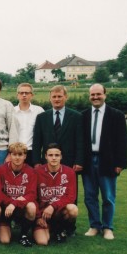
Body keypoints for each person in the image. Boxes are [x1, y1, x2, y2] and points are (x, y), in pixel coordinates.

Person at [32, 85, 83, 235]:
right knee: (46, 193)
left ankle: (69, 227)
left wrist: (79, 161)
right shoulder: (42, 117)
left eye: (60, 96)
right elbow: (37, 142)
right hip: (46, 163)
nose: (57, 99)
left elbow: (80, 141)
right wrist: (36, 162)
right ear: (50, 98)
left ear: (65, 97)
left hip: (69, 163)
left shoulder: (76, 116)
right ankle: (46, 220)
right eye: (54, 96)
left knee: (69, 196)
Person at [82, 84, 127, 240]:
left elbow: (123, 141)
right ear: (89, 96)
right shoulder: (84, 115)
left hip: (108, 161)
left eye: (98, 94)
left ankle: (108, 227)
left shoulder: (116, 115)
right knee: (90, 196)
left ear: (105, 95)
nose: (95, 97)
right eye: (92, 95)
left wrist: (120, 164)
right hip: (88, 161)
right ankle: (94, 225)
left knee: (108, 197)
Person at [34, 143, 79, 245]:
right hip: (42, 213)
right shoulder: (37, 172)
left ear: (61, 156)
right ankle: (49, 229)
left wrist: (52, 206)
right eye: (50, 155)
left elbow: (71, 197)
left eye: (57, 155)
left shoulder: (70, 172)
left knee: (73, 209)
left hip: (58, 211)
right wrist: (38, 217)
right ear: (45, 156)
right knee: (42, 242)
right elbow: (33, 197)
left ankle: (60, 229)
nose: (54, 158)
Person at [0, 142, 37, 247]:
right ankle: (2, 226)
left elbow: (32, 194)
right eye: (14, 154)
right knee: (5, 240)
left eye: (20, 155)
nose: (17, 158)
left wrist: (14, 203)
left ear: (25, 156)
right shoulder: (1, 169)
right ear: (10, 155)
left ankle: (23, 235)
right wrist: (10, 203)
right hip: (6, 209)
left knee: (32, 207)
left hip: (21, 208)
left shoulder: (31, 171)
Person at [8, 83, 44, 166]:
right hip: (15, 152)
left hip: (33, 152)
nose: (24, 95)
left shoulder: (39, 111)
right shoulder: (11, 112)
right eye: (21, 93)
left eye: (27, 93)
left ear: (32, 95)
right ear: (17, 95)